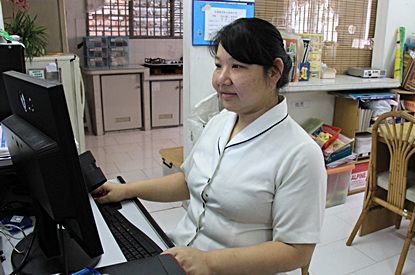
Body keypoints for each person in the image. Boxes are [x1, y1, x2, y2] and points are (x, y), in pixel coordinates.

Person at [93, 17, 327, 275]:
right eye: (218, 66)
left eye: (237, 66)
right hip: (178, 255)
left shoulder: (300, 154)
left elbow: (296, 250)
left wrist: (208, 261)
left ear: (274, 71)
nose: (220, 79)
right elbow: (187, 181)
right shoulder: (221, 121)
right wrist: (125, 191)